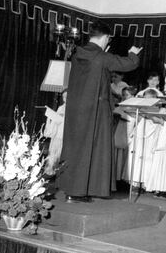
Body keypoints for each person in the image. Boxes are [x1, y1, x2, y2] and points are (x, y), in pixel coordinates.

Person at [59, 21, 142, 202]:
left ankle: (73, 190)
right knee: (93, 148)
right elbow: (128, 64)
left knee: (76, 148)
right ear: (105, 38)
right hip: (94, 110)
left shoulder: (78, 53)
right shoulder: (101, 56)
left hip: (76, 109)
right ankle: (79, 192)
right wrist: (133, 53)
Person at [126, 89, 161, 192]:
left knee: (147, 160)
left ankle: (145, 183)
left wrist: (146, 117)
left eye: (149, 98)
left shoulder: (156, 109)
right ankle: (135, 183)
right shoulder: (140, 108)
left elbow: (156, 123)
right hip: (140, 135)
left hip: (150, 137)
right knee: (136, 158)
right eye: (145, 98)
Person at [113, 86, 137, 184]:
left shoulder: (135, 107)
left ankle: (124, 179)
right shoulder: (120, 106)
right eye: (123, 95)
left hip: (128, 133)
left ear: (132, 96)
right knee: (117, 156)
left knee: (125, 157)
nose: (124, 97)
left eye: (127, 95)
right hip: (118, 133)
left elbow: (134, 119)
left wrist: (124, 117)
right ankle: (116, 178)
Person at [44, 90, 67, 175]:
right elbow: (56, 119)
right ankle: (50, 170)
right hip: (57, 133)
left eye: (67, 96)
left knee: (60, 153)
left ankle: (58, 171)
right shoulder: (61, 107)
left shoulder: (72, 108)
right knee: (53, 152)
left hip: (64, 133)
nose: (65, 98)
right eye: (64, 97)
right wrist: (51, 113)